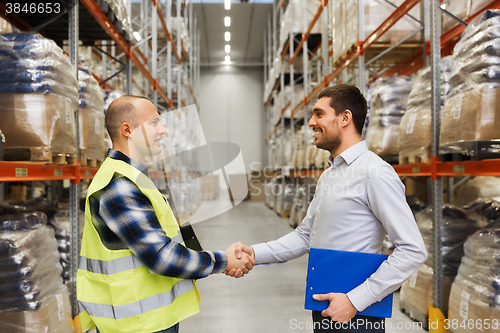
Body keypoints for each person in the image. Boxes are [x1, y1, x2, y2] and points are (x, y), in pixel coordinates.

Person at [226, 84, 428, 332]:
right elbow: (304, 235)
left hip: (355, 313)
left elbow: (413, 250)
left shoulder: (374, 172)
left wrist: (355, 300)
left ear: (345, 118)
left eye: (319, 114)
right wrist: (254, 253)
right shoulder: (329, 176)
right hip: (325, 304)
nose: (311, 122)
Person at [77, 96, 254, 333]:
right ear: (127, 130)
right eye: (154, 123)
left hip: (147, 318)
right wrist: (223, 260)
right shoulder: (118, 184)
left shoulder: (134, 177)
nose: (163, 130)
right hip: (135, 323)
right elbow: (162, 257)